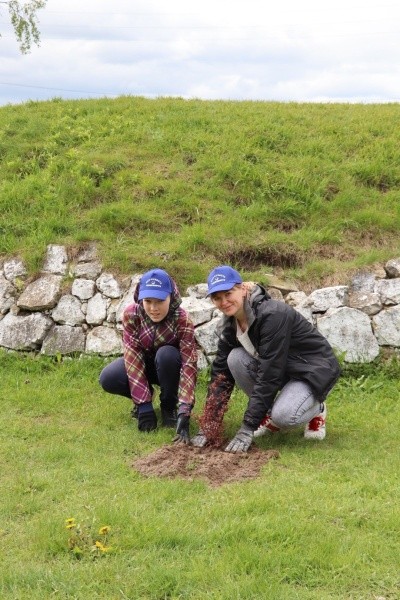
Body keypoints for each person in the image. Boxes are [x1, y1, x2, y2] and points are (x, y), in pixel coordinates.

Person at [191, 265, 341, 453]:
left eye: (228, 294)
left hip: (312, 371)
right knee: (234, 358)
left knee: (284, 417)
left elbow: (269, 373)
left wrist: (247, 427)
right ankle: (270, 412)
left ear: (242, 289)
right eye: (217, 298)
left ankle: (317, 407)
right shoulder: (230, 325)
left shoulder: (272, 315)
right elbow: (220, 376)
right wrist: (209, 426)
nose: (224, 302)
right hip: (284, 370)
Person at [99, 268, 197, 442]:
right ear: (140, 298)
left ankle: (168, 406)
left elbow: (189, 364)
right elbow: (132, 356)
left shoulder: (182, 320)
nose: (153, 308)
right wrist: (143, 404)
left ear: (171, 297)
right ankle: (146, 398)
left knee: (166, 354)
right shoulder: (131, 315)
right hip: (144, 366)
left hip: (170, 369)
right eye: (148, 301)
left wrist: (185, 409)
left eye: (160, 301)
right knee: (109, 377)